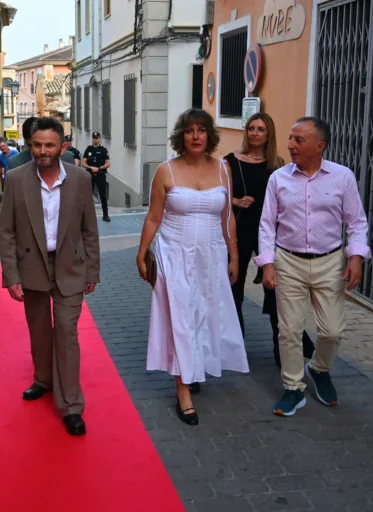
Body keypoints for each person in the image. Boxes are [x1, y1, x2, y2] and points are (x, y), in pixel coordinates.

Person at [137, 109, 249, 426]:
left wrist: (235, 255)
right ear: (181, 136)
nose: (196, 136)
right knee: (181, 319)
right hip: (174, 253)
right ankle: (183, 389)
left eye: (201, 130)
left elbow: (227, 217)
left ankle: (193, 367)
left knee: (204, 315)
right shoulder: (166, 171)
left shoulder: (224, 170)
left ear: (209, 135)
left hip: (212, 256)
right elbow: (154, 217)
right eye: (189, 130)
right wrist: (142, 252)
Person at [257, 117, 371, 417]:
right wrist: (267, 264)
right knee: (289, 330)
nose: (290, 145)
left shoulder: (342, 177)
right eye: (291, 138)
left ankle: (320, 369)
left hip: (330, 262)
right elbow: (267, 225)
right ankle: (294, 388)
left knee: (332, 331)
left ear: (320, 146)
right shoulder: (279, 179)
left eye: (299, 140)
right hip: (288, 261)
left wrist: (356, 256)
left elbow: (356, 221)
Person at [0, 117, 100, 436]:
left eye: (49, 145)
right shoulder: (16, 179)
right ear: (30, 145)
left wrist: (92, 270)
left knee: (66, 334)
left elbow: (89, 230)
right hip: (32, 266)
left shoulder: (81, 179)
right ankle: (43, 379)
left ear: (62, 147)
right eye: (37, 145)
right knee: (39, 330)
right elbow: (7, 231)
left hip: (70, 265)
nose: (42, 151)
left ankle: (71, 404)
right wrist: (11, 275)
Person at [224, 113, 315, 368]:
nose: (254, 133)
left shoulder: (277, 164)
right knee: (234, 290)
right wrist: (235, 201)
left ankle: (284, 350)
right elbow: (220, 195)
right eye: (251, 128)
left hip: (270, 233)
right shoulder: (231, 161)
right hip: (240, 230)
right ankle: (235, 345)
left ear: (268, 133)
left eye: (260, 129)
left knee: (275, 291)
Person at [7, 116, 76, 170]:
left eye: (49, 145)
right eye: (35, 145)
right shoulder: (14, 163)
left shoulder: (68, 158)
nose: (42, 151)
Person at [82, 132, 111, 222]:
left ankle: (105, 215)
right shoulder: (89, 149)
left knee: (103, 196)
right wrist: (91, 167)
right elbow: (83, 163)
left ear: (99, 139)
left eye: (97, 138)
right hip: (90, 174)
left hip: (100, 174)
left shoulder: (103, 150)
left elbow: (108, 164)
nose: (95, 139)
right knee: (87, 195)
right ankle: (87, 216)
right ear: (92, 139)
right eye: (94, 138)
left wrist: (98, 168)